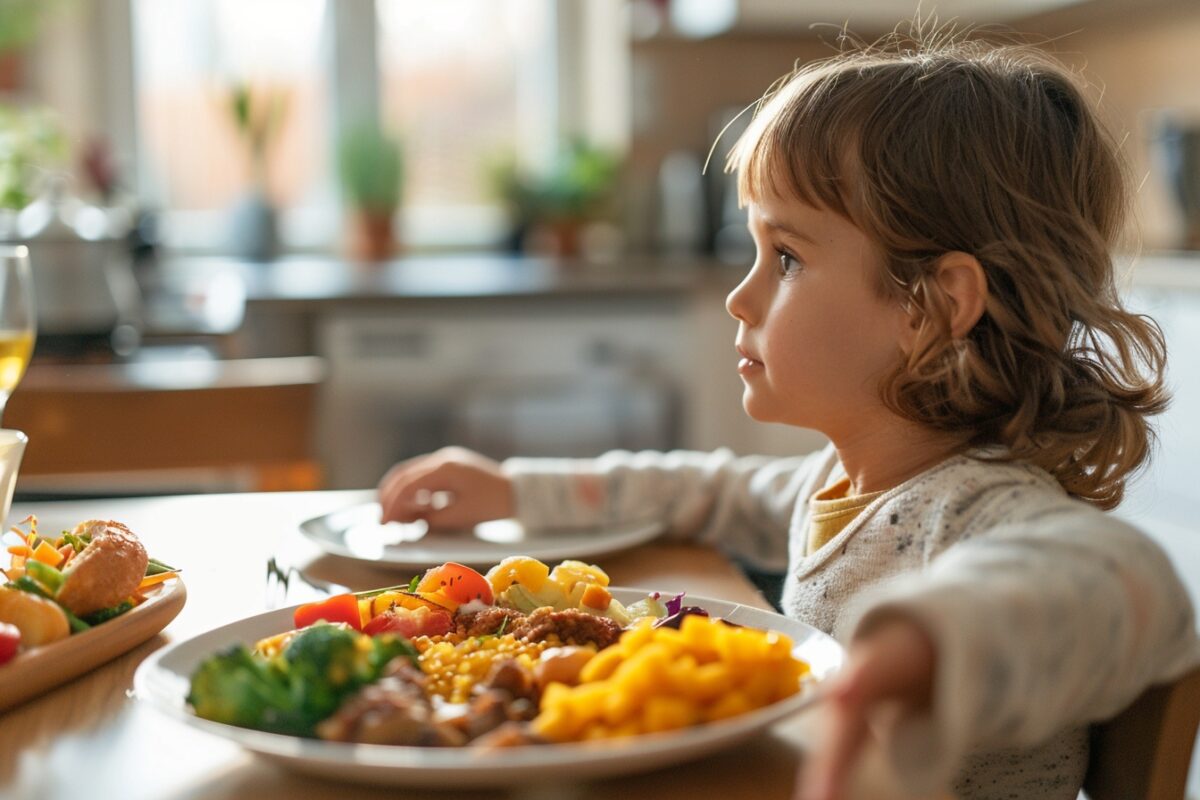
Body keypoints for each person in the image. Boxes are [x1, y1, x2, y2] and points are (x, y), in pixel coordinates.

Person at [377, 32, 1200, 800]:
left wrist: (932, 638)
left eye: (789, 257)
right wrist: (516, 493)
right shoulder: (840, 481)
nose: (742, 295)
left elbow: (1126, 581)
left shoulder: (982, 511)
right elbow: (700, 491)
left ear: (933, 307)